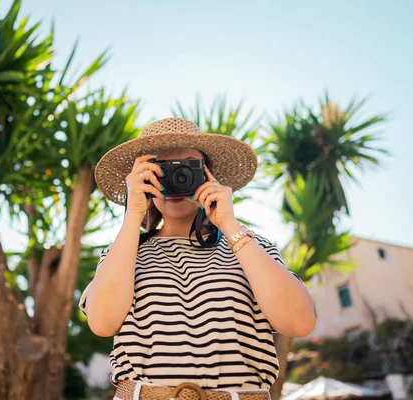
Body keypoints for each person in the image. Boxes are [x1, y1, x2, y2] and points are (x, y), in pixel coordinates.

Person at [79, 118, 316, 400]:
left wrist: (229, 224)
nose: (174, 178)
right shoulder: (120, 254)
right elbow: (103, 323)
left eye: (187, 168)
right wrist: (134, 215)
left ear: (210, 177)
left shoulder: (253, 249)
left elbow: (300, 323)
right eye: (160, 170)